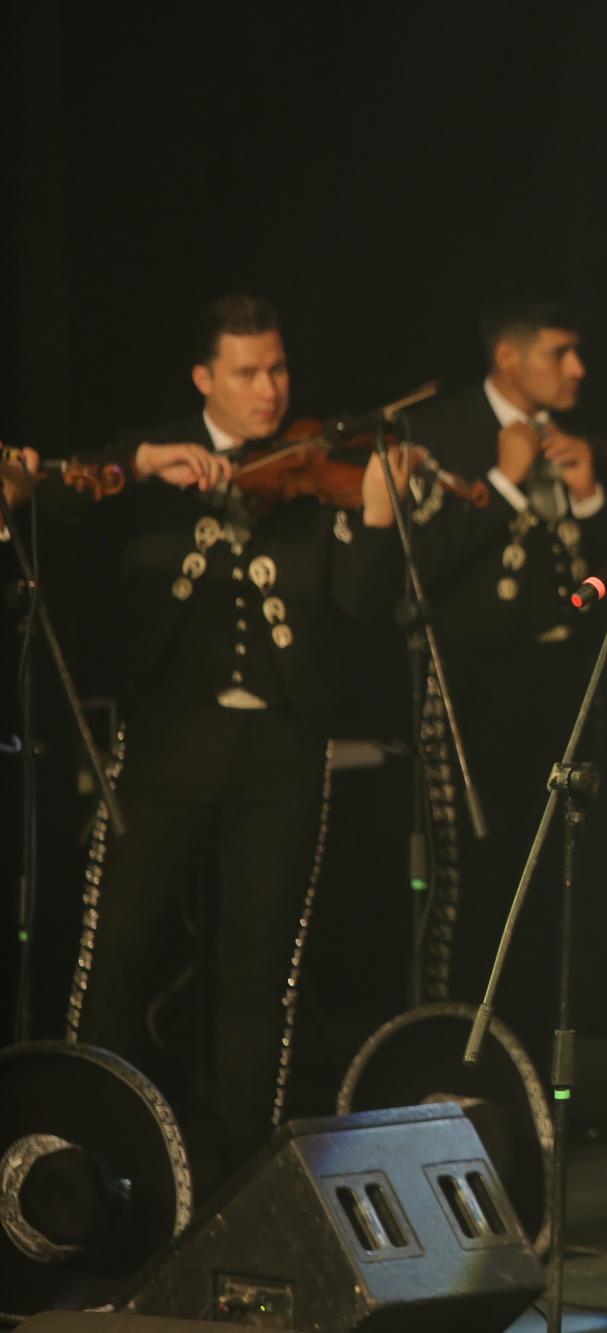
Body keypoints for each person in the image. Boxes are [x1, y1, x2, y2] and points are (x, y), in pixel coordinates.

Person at [42, 295, 410, 1186]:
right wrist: (135, 463)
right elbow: (59, 491)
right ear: (205, 377)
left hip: (282, 747)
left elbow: (362, 606)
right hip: (170, 741)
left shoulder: (322, 463)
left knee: (259, 963)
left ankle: (244, 1164)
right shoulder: (157, 455)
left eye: (278, 368)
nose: (269, 389)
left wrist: (375, 518)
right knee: (120, 947)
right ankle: (87, 1148)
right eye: (247, 372)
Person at [398, 296, 607, 1020]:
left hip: (557, 686)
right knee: (469, 876)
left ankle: (534, 1077)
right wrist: (502, 486)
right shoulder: (442, 432)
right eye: (559, 353)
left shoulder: (585, 444)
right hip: (470, 687)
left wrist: (592, 494)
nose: (578, 369)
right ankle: (451, 1060)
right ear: (510, 357)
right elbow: (415, 569)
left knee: (549, 880)